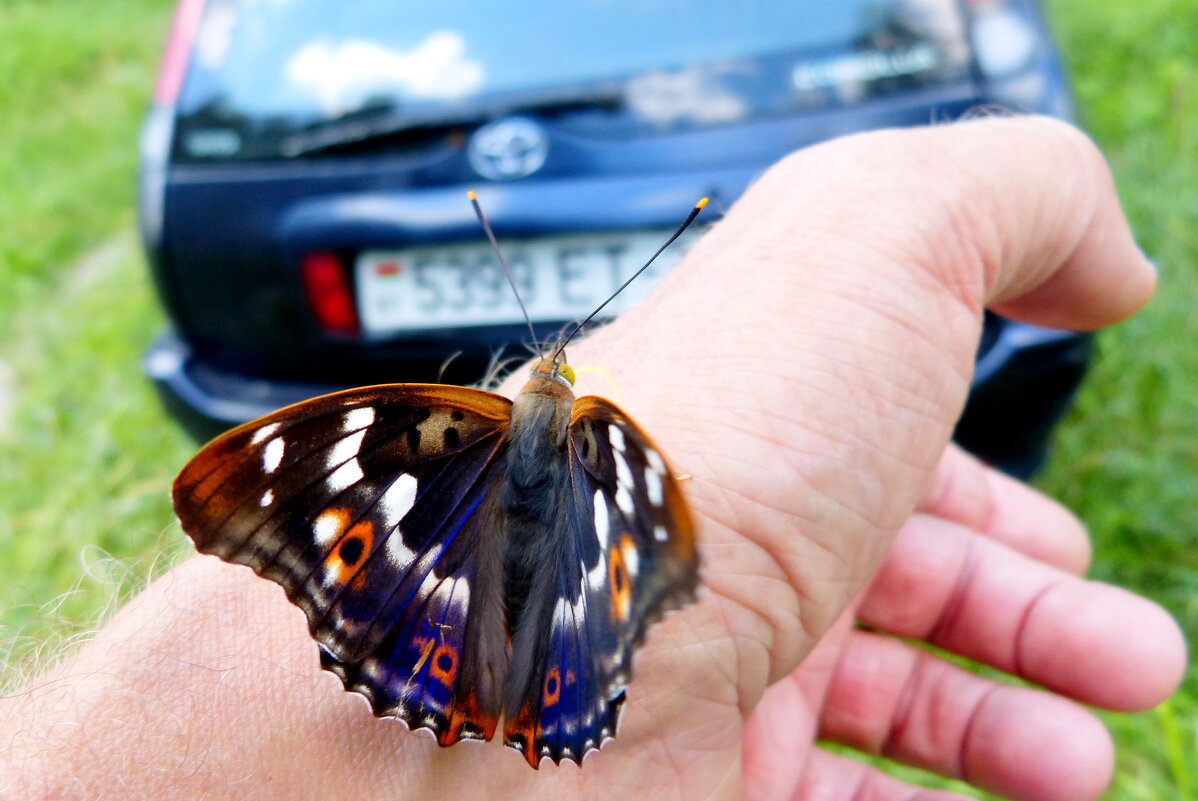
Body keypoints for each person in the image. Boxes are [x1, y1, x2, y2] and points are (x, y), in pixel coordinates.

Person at [1, 117, 1184, 801]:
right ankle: (521, 690)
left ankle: (491, 686)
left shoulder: (463, 428)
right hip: (504, 585)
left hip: (476, 582)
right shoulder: (607, 444)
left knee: (486, 620)